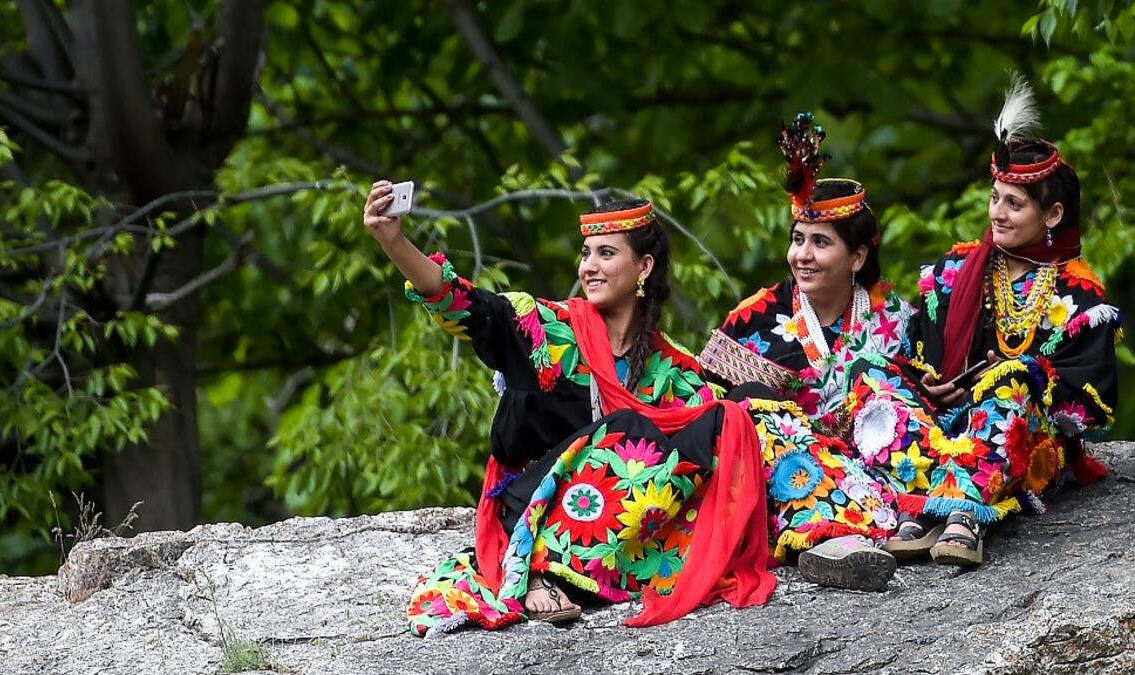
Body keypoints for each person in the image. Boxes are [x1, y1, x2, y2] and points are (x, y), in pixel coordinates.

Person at [362, 185, 775, 638]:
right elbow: (463, 304)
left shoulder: (670, 368)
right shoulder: (545, 328)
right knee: (627, 428)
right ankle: (538, 569)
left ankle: (822, 529)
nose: (589, 267)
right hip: (531, 509)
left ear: (645, 266)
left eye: (606, 253)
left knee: (737, 413)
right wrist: (393, 242)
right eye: (586, 254)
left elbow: (721, 425)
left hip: (616, 524)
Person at [845, 75, 1121, 567]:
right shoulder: (953, 272)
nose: (998, 213)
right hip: (943, 420)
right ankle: (928, 499)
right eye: (995, 198)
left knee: (1010, 382)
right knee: (871, 371)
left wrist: (1024, 375)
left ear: (1053, 214)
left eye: (1014, 204)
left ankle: (962, 512)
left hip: (1024, 436)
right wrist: (929, 381)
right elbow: (917, 355)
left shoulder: (1078, 295)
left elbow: (1087, 408)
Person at [702, 113, 913, 591]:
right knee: (754, 409)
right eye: (797, 240)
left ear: (857, 257)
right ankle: (829, 535)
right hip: (793, 481)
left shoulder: (898, 318)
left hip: (884, 472)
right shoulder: (755, 318)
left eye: (821, 243)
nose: (802, 255)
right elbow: (708, 412)